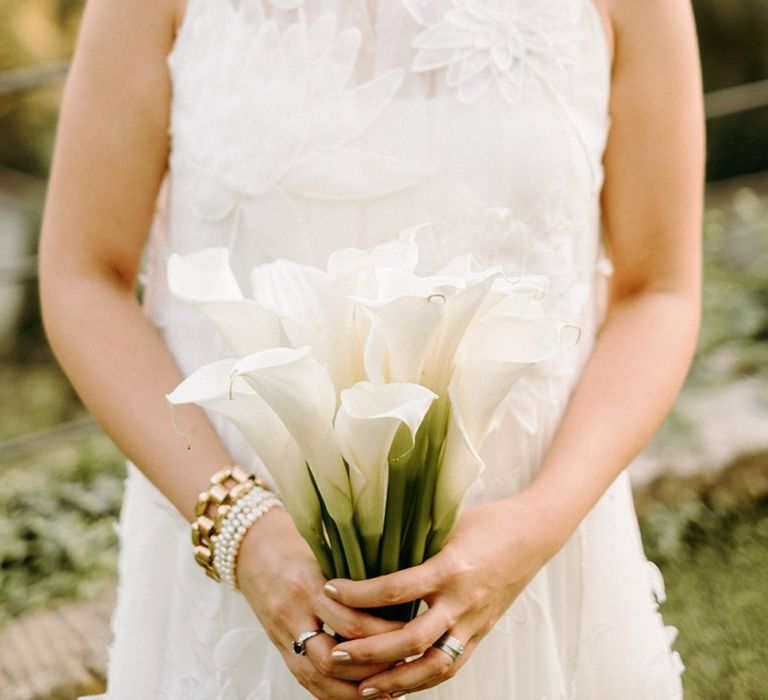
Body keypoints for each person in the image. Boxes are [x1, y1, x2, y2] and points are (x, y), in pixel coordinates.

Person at [38, 0, 704, 697]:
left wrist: (535, 526)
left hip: (534, 561)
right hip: (247, 574)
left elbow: (657, 290)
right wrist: (242, 531)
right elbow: (85, 275)